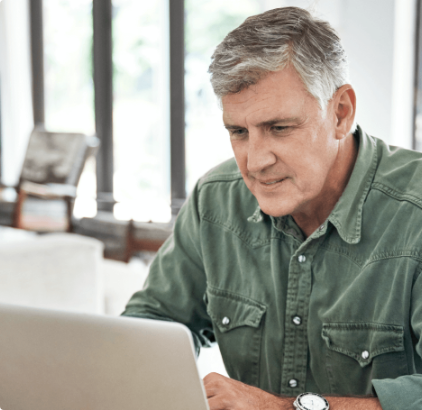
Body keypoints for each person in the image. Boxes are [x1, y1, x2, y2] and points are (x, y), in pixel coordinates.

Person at [122, 7, 422, 410]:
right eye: (239, 132)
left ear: (341, 113)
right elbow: (153, 321)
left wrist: (281, 408)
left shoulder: (415, 215)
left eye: (279, 128)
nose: (255, 161)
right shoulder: (215, 201)